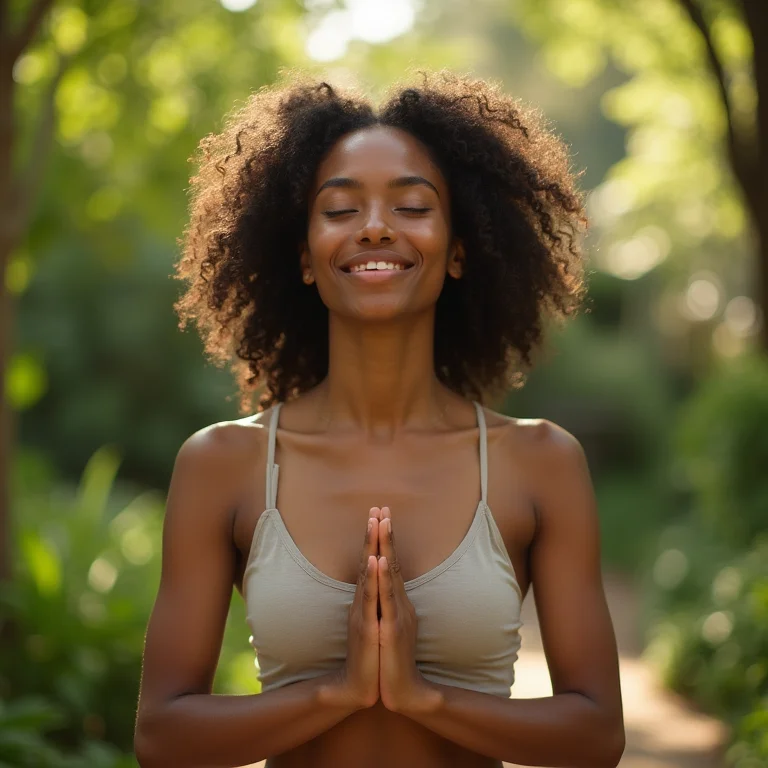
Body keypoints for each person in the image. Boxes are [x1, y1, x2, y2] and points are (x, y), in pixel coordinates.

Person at [133, 69, 625, 768]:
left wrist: (424, 698)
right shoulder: (223, 465)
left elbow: (597, 734)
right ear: (305, 257)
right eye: (340, 210)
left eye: (412, 206)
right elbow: (162, 736)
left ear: (459, 251)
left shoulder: (540, 463)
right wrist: (337, 693)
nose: (374, 228)